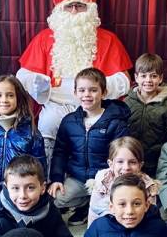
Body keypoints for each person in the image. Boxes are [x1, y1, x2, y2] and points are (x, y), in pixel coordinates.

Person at [16, 0, 133, 158]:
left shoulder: (108, 40)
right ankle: (49, 174)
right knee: (47, 125)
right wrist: (40, 85)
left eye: (79, 6)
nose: (73, 12)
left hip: (96, 107)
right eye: (68, 6)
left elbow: (124, 81)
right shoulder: (44, 38)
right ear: (59, 10)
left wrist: (95, 90)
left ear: (90, 9)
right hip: (56, 105)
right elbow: (22, 76)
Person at [48, 67, 131, 225]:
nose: (87, 94)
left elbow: (122, 154)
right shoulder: (69, 121)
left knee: (108, 213)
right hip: (78, 178)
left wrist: (115, 178)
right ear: (75, 93)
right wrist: (57, 178)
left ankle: (92, 205)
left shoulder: (116, 122)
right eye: (82, 90)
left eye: (93, 90)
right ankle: (83, 203)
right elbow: (60, 152)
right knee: (56, 198)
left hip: (105, 178)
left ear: (103, 93)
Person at [86, 136, 160, 227]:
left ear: (140, 165)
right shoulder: (101, 182)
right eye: (120, 161)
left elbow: (150, 218)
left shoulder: (148, 187)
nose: (126, 167)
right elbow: (93, 215)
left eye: (132, 162)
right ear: (111, 164)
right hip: (106, 228)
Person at [124, 52, 167, 174]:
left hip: (157, 162)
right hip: (130, 161)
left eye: (153, 76)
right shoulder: (127, 102)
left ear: (160, 78)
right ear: (136, 77)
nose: (148, 80)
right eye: (143, 76)